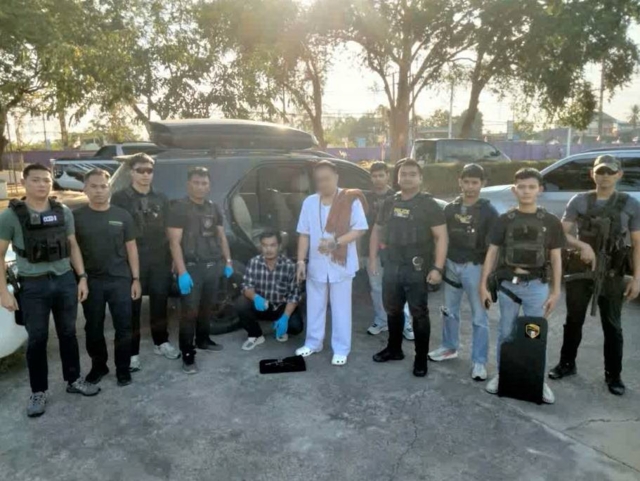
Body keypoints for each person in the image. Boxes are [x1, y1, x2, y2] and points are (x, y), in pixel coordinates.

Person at [0, 164, 100, 417]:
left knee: (68, 333)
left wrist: (82, 278)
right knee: (37, 339)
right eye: (35, 180)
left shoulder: (62, 211)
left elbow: (73, 246)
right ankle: (38, 391)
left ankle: (74, 379)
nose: (42, 184)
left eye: (46, 180)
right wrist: (3, 292)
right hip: (33, 285)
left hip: (64, 280)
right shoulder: (11, 216)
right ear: (24, 182)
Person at [548, 155, 640, 396]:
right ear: (593, 174)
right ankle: (567, 364)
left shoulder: (630, 203)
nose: (605, 176)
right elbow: (561, 233)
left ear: (619, 175)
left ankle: (614, 375)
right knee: (573, 320)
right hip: (580, 270)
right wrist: (582, 246)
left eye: (610, 172)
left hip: (612, 272)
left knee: (613, 326)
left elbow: (637, 243)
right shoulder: (579, 200)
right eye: (601, 171)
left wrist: (637, 278)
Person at [479, 168, 565, 404]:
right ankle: (502, 374)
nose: (526, 191)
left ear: (540, 190)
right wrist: (483, 285)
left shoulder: (550, 221)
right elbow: (492, 252)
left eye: (531, 187)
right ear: (514, 190)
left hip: (537, 286)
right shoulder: (504, 220)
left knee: (534, 334)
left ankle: (537, 380)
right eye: (522, 187)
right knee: (506, 332)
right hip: (508, 286)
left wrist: (556, 291)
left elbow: (556, 257)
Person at [369, 159, 448, 377]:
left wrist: (437, 268)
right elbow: (377, 230)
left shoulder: (429, 205)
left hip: (417, 267)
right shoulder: (389, 203)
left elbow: (441, 237)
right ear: (397, 178)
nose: (407, 178)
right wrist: (373, 258)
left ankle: (420, 358)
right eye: (403, 174)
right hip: (392, 265)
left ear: (420, 178)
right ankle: (394, 349)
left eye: (412, 174)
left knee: (419, 314)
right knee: (393, 310)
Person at [428, 164, 498, 381]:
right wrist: (439, 266)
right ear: (460, 182)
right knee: (449, 310)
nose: (470, 187)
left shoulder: (489, 211)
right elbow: (441, 238)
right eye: (466, 182)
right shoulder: (450, 209)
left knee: (479, 316)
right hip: (451, 265)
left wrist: (487, 277)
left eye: (475, 182)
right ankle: (449, 347)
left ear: (482, 184)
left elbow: (494, 247)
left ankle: (479, 361)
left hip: (475, 268)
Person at [295, 160, 368, 366]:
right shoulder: (309, 202)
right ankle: (313, 343)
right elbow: (304, 234)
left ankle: (341, 348)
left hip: (341, 263)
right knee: (315, 305)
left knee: (341, 308)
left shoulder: (349, 199)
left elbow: (360, 229)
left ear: (336, 177)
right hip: (317, 263)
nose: (323, 184)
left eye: (326, 179)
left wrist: (336, 243)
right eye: (319, 180)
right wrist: (300, 261)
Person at [111, 153, 180, 371]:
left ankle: (161, 342)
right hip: (132, 258)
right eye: (140, 170)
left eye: (149, 170)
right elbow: (117, 232)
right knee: (132, 306)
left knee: (160, 301)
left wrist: (173, 257)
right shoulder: (120, 198)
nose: (145, 175)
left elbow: (169, 230)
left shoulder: (161, 197)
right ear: (131, 172)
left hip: (159, 258)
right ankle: (132, 352)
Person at [74, 169, 140, 387]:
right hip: (92, 281)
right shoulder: (76, 217)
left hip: (120, 279)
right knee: (93, 328)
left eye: (103, 186)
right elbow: (73, 249)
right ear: (85, 189)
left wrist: (136, 279)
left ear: (109, 188)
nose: (99, 191)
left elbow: (132, 249)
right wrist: (81, 278)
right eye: (94, 186)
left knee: (124, 326)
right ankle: (99, 366)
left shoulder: (122, 215)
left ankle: (123, 369)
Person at [167, 167, 234, 374]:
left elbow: (221, 237)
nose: (200, 187)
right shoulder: (179, 208)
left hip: (212, 265)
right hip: (192, 268)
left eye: (204, 183)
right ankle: (188, 355)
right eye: (196, 182)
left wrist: (228, 262)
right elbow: (174, 243)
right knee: (189, 313)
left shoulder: (213, 208)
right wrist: (182, 272)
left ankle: (203, 340)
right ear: (189, 184)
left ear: (209, 186)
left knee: (207, 308)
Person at [363, 161, 414, 340]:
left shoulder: (397, 197)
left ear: (388, 176)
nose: (377, 179)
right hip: (370, 250)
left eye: (381, 175)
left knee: (398, 288)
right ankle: (381, 320)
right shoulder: (365, 198)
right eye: (374, 176)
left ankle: (406, 324)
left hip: (394, 251)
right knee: (376, 287)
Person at [236, 230, 303, 350]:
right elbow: (246, 286)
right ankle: (255, 335)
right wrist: (255, 297)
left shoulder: (289, 266)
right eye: (265, 245)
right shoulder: (254, 262)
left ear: (279, 246)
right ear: (260, 246)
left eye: (273, 245)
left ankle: (281, 324)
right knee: (241, 303)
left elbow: (294, 295)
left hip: (281, 307)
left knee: (296, 326)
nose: (269, 249)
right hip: (262, 306)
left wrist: (285, 317)